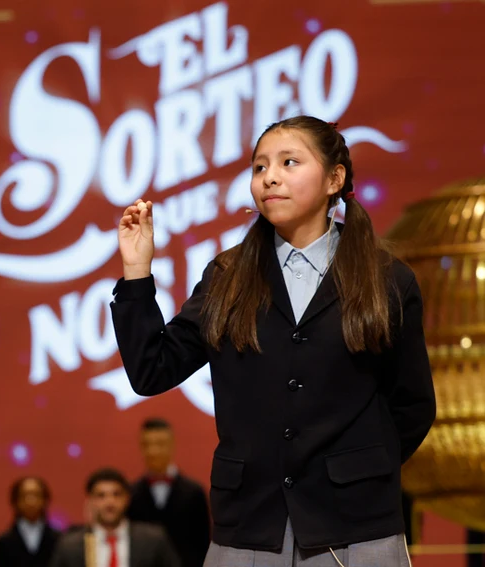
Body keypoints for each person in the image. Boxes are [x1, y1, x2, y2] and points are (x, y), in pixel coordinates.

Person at [111, 116, 436, 566]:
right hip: (248, 528)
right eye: (259, 167)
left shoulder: (386, 280)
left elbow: (413, 404)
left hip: (354, 529)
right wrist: (136, 272)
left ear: (334, 179)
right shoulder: (227, 277)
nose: (270, 178)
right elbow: (152, 370)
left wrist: (358, 472)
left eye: (289, 162)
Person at [49, 468, 181, 567]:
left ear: (127, 499)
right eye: (101, 496)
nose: (110, 502)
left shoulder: (154, 540)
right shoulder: (70, 546)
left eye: (116, 494)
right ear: (90, 501)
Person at [126, 418, 210, 567]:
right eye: (147, 444)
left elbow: (202, 544)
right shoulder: (132, 494)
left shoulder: (194, 493)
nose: (153, 451)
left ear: (171, 444)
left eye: (160, 444)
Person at [0, 476, 61, 567]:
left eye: (36, 495)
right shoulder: (4, 541)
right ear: (15, 501)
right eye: (24, 496)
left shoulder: (59, 540)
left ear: (45, 500)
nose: (30, 501)